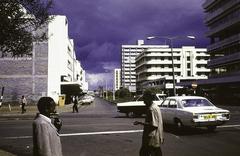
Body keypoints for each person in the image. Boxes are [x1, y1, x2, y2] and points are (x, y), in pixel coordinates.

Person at [134, 90, 164, 156]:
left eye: (144, 99)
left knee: (144, 153)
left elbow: (154, 125)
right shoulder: (154, 107)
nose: (143, 102)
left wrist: (140, 123)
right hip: (154, 136)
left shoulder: (152, 109)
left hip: (152, 137)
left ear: (149, 99)